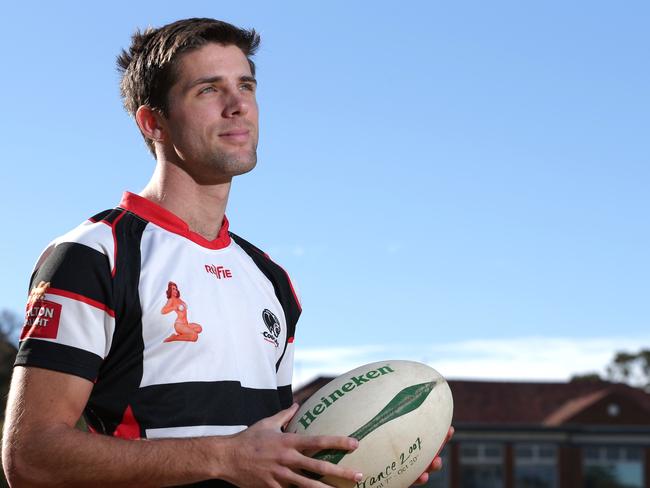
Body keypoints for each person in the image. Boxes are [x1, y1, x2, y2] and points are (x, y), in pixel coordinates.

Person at [2, 18, 451, 487]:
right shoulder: (95, 253)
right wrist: (224, 458)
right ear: (153, 121)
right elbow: (31, 457)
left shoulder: (270, 279)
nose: (238, 106)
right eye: (208, 90)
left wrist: (376, 456)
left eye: (246, 86)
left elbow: (271, 453)